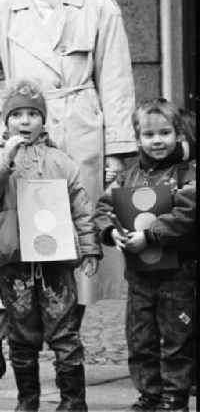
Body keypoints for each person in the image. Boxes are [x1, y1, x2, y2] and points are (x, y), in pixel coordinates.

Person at [0, 0, 137, 391]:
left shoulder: (99, 8)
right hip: (20, 139)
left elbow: (117, 82)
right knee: (15, 242)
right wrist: (2, 124)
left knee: (71, 249)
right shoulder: (2, 9)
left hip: (77, 132)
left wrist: (117, 151)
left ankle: (66, 346)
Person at [0, 80, 100, 412]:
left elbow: (81, 207)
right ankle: (28, 400)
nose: (25, 122)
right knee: (21, 335)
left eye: (32, 114)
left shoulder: (61, 160)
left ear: (44, 119)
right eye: (17, 115)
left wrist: (89, 246)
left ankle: (73, 401)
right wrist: (5, 161)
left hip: (56, 262)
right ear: (5, 119)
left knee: (65, 332)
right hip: (13, 260)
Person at [93, 98, 196, 412]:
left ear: (178, 135)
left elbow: (188, 213)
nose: (157, 141)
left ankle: (174, 396)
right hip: (139, 277)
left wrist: (150, 235)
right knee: (141, 339)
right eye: (149, 135)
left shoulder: (187, 175)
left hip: (178, 275)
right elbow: (103, 209)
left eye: (165, 133)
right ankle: (149, 393)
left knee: (177, 338)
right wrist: (111, 233)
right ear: (137, 139)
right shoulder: (128, 176)